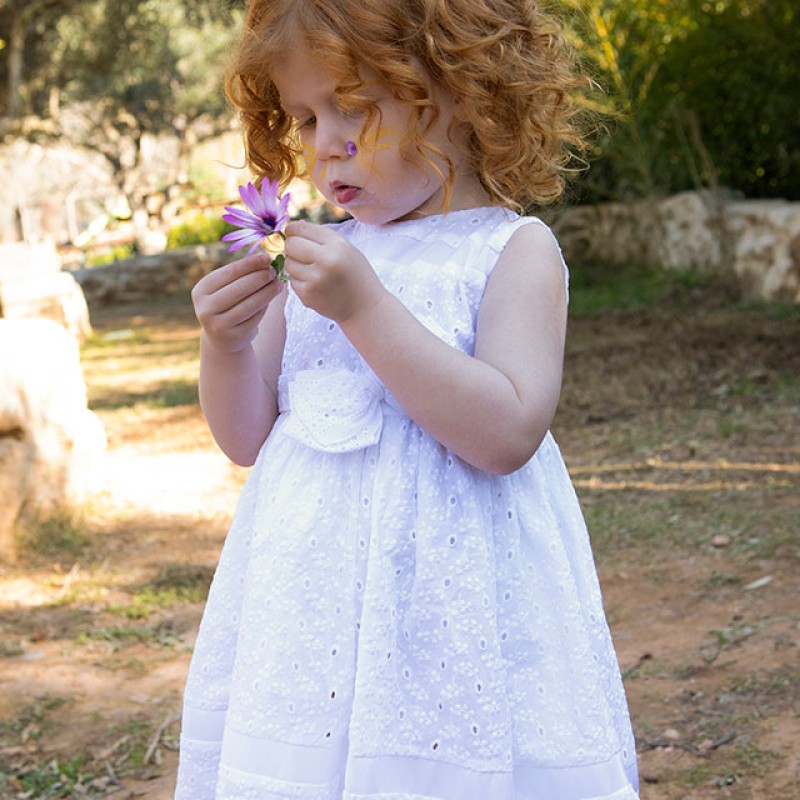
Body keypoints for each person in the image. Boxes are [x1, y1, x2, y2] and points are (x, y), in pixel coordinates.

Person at [175, 0, 640, 798]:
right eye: (305, 117)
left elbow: (506, 434)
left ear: (462, 87)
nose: (325, 145)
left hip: (455, 600)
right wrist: (223, 347)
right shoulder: (323, 260)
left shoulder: (510, 250)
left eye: (352, 105)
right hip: (314, 603)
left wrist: (365, 309)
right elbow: (247, 435)